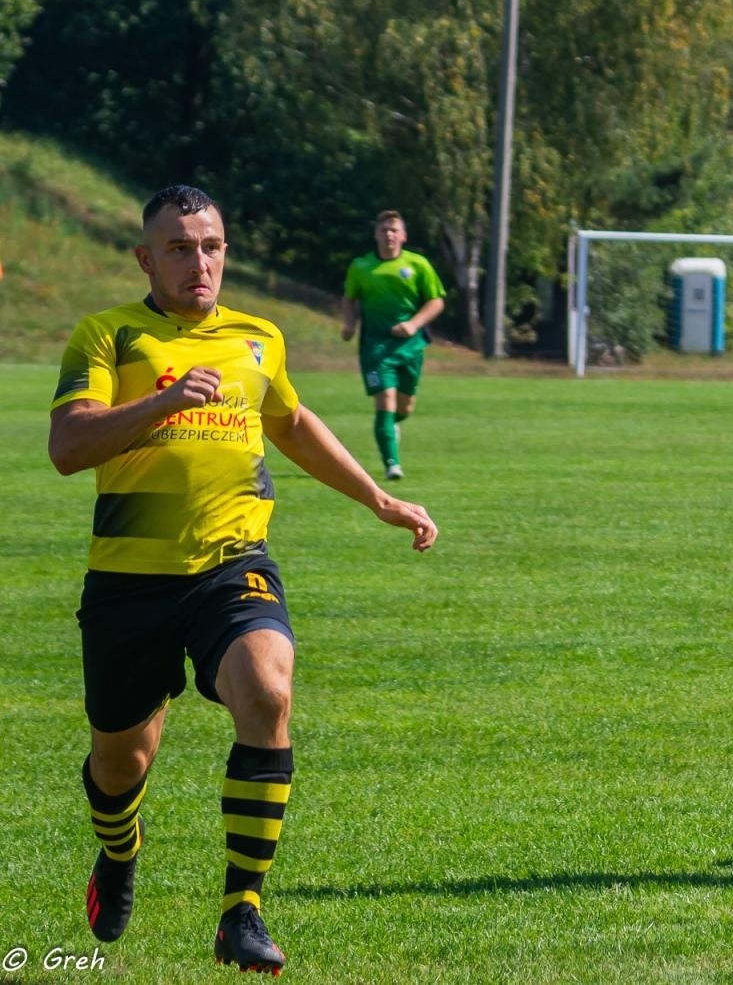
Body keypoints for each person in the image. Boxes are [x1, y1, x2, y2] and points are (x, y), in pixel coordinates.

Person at [49, 185, 439, 973]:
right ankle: (120, 853)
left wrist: (379, 498)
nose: (201, 262)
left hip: (233, 566)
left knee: (267, 689)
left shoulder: (258, 338)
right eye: (182, 247)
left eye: (213, 245)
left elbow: (290, 422)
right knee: (121, 762)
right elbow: (67, 444)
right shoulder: (108, 334)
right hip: (130, 582)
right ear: (146, 258)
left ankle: (242, 910)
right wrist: (158, 406)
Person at [341, 211, 446, 480]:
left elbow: (436, 301)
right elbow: (349, 299)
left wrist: (413, 324)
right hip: (375, 348)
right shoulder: (361, 267)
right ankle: (392, 464)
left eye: (394, 230)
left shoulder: (418, 264)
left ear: (403, 235)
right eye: (384, 229)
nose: (389, 234)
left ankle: (388, 427)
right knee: (385, 400)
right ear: (376, 234)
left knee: (405, 407)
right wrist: (350, 324)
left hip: (411, 346)